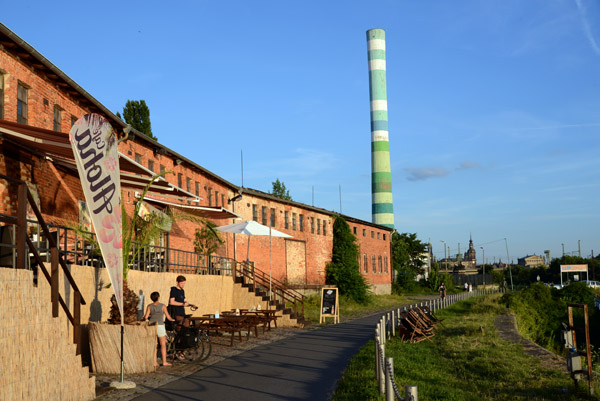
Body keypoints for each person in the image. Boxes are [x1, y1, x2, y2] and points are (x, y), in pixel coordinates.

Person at [144, 291, 175, 367]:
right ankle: (164, 362)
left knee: (154, 345)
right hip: (160, 325)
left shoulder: (149, 306)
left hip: (152, 326)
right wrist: (173, 320)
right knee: (163, 344)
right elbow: (168, 317)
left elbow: (145, 317)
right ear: (158, 297)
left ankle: (154, 362)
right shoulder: (163, 306)